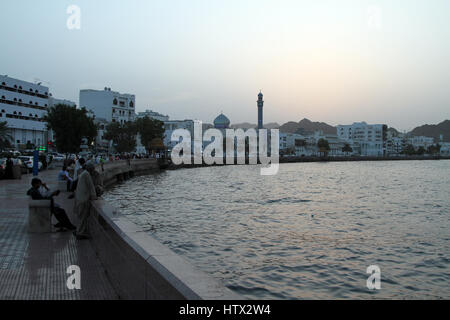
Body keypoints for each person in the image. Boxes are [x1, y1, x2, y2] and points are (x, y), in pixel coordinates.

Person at [73, 162, 97, 240]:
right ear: (91, 169)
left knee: (80, 217)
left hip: (79, 198)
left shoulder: (83, 173)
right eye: (93, 169)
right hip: (83, 199)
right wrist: (94, 196)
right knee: (83, 217)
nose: (94, 171)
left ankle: (78, 231)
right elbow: (91, 186)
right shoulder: (87, 174)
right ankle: (80, 233)